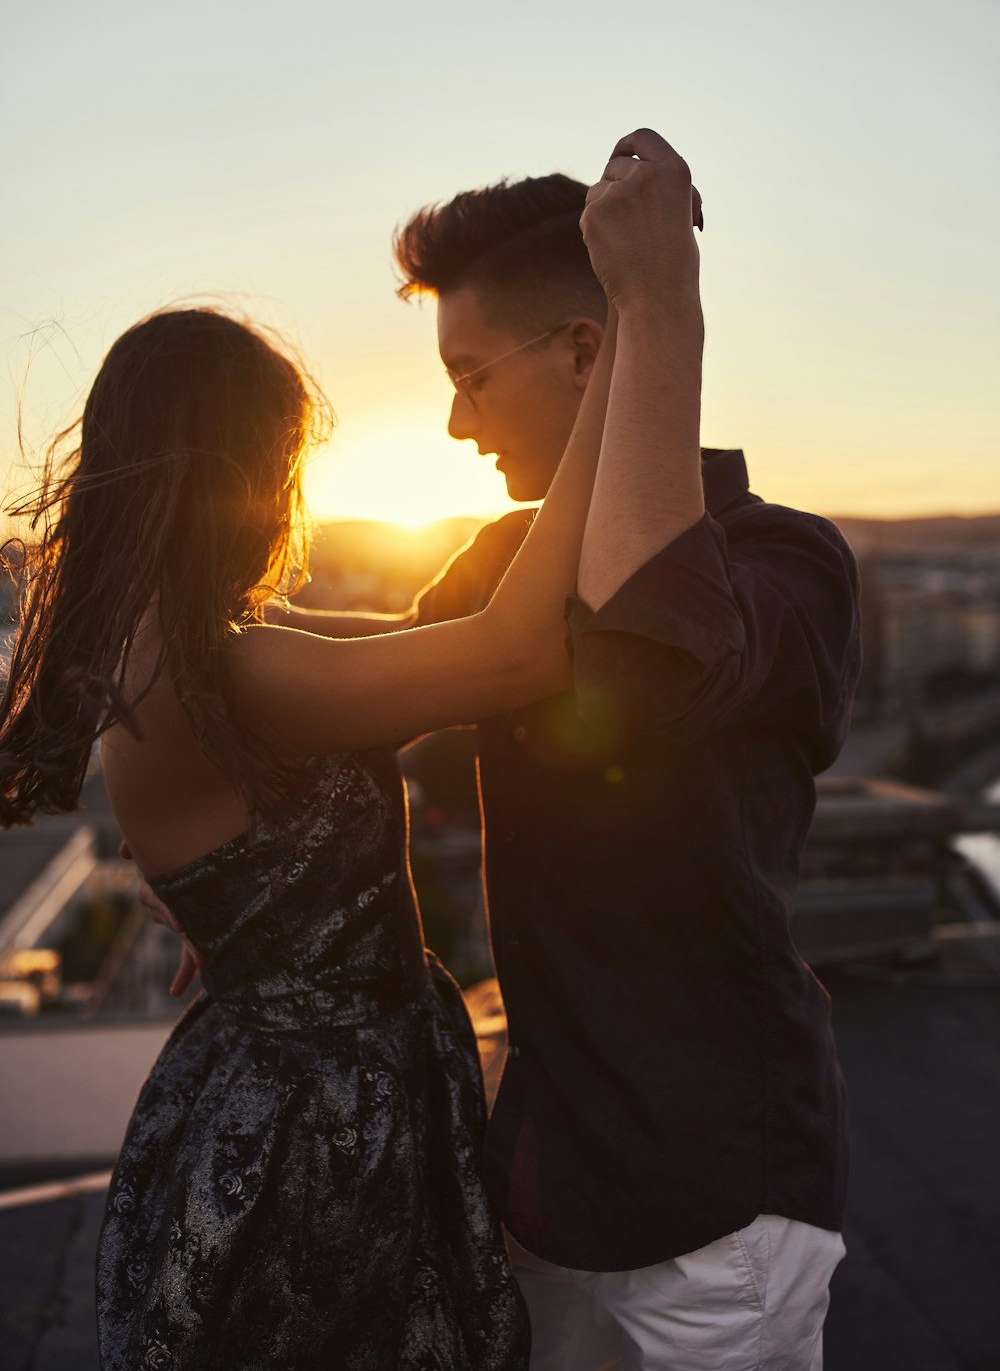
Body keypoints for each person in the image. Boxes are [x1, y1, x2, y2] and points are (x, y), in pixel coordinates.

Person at [0, 131, 707, 1370]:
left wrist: (255, 923)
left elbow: (423, 645)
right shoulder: (231, 668)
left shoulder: (192, 650)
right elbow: (504, 656)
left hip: (300, 1098)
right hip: (314, 1136)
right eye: (283, 460)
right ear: (233, 468)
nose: (290, 492)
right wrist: (622, 359)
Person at [194, 132, 860, 1370]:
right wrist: (252, 909)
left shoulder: (791, 564)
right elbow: (359, 694)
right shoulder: (504, 567)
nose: (453, 424)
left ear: (586, 351)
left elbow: (644, 656)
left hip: (718, 1198)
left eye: (469, 376)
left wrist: (664, 303)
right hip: (550, 1182)